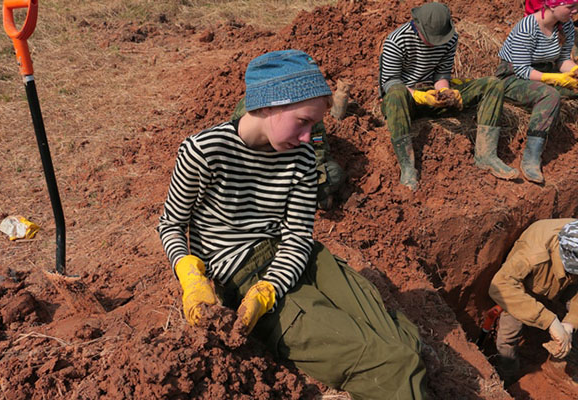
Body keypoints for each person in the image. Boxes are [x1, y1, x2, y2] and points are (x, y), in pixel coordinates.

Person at [158, 49, 427, 399]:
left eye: (313, 126)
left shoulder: (300, 157)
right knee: (392, 366)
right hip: (241, 270)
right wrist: (190, 276)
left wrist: (270, 288)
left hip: (302, 260)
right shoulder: (204, 151)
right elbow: (171, 224)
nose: (307, 138)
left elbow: (299, 237)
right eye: (303, 121)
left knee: (406, 342)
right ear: (269, 105)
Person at [379, 2, 516, 191]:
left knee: (493, 84)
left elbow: (442, 74)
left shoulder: (449, 39)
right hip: (406, 99)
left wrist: (444, 92)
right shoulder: (396, 41)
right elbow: (390, 82)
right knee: (395, 94)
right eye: (431, 38)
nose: (435, 43)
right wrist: (420, 97)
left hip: (432, 93)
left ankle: (486, 155)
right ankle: (408, 167)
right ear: (417, 25)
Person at [496, 0, 578, 184]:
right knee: (550, 95)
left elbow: (563, 59)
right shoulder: (528, 26)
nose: (575, 11)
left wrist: (573, 71)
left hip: (545, 71)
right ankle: (531, 157)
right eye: (570, 7)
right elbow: (522, 69)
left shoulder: (567, 26)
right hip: (512, 77)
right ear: (553, 5)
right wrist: (555, 79)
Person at [489, 219, 578, 384]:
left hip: (565, 279)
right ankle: (507, 377)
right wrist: (550, 321)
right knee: (508, 336)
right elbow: (500, 285)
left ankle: (565, 362)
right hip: (524, 286)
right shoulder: (532, 255)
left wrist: (570, 324)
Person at [231, 98, 346, 210]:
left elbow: (318, 143)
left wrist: (307, 171)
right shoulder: (249, 108)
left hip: (294, 163)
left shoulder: (311, 112)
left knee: (334, 173)